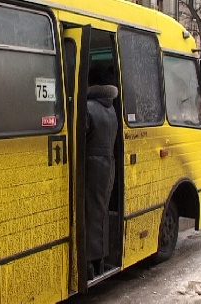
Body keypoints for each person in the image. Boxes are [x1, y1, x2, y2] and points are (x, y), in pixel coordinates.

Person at [85, 64, 118, 280]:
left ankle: (90, 262)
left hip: (92, 167)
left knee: (89, 215)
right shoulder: (111, 108)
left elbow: (81, 138)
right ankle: (100, 259)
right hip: (108, 165)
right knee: (101, 212)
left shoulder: (88, 108)